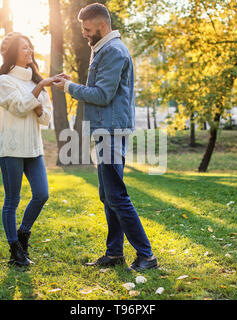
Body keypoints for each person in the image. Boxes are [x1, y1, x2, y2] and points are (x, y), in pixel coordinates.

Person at [53, 3, 158, 271]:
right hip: (106, 129)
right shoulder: (104, 49)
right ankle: (114, 254)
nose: (84, 34)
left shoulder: (112, 51)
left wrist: (69, 88)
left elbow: (102, 95)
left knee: (116, 195)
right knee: (107, 194)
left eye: (88, 29)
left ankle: (146, 255)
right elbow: (101, 89)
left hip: (111, 131)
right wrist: (74, 84)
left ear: (102, 25)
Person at [0, 32, 59, 267]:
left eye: (30, 47)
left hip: (34, 149)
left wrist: (39, 105)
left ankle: (23, 235)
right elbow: (21, 108)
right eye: (24, 48)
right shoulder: (4, 81)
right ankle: (15, 251)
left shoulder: (35, 82)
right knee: (12, 200)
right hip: (11, 149)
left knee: (42, 194)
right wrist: (40, 88)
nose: (29, 51)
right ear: (13, 52)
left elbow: (45, 118)